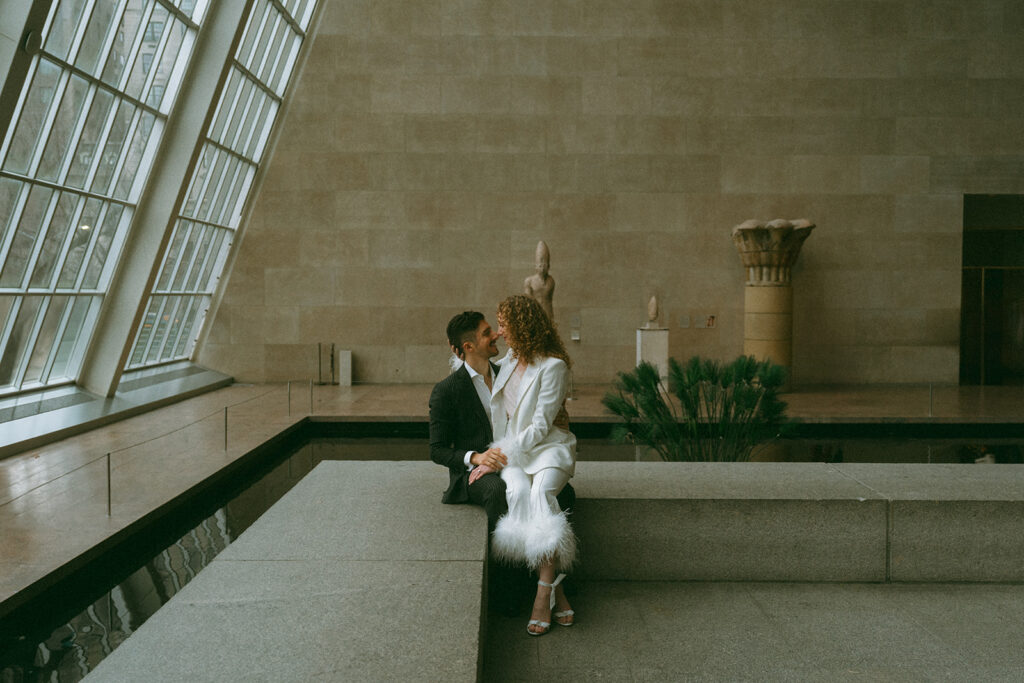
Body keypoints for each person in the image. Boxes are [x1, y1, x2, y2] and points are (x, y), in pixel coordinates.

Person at [477, 294, 577, 636]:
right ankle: (555, 588)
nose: (500, 332)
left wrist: (498, 456)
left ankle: (541, 594)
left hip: (548, 447)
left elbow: (539, 426)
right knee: (518, 490)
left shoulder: (554, 367)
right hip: (516, 453)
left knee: (540, 493)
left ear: (521, 325)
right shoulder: (508, 361)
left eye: (503, 324)